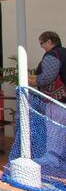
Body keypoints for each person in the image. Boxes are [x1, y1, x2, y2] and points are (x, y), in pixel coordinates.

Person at [29, 31, 66, 170]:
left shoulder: (53, 55)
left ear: (49, 41)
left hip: (58, 102)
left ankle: (53, 159)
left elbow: (48, 76)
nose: (41, 47)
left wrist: (32, 80)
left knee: (55, 131)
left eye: (42, 43)